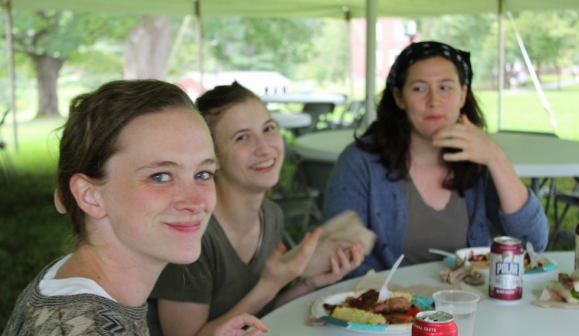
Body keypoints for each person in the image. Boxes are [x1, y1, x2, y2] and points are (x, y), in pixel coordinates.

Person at [3, 80, 267, 336]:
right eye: (161, 176)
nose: (196, 202)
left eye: (203, 174)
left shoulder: (65, 278)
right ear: (90, 196)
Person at [148, 82, 365, 336]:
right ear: (212, 157)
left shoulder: (270, 214)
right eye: (242, 137)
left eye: (268, 128)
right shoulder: (191, 229)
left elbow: (261, 315)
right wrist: (269, 284)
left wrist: (309, 283)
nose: (264, 147)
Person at [323, 41, 550, 277]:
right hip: (390, 307)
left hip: (471, 303)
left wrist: (497, 158)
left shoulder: (479, 159)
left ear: (463, 95)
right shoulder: (360, 162)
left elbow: (532, 244)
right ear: (400, 98)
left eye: (445, 87)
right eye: (419, 88)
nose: (434, 101)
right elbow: (339, 258)